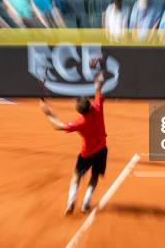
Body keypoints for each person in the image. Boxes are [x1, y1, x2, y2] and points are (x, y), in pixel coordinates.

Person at [39, 58, 108, 214]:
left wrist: (47, 113)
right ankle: (86, 202)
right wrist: (100, 65)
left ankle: (71, 202)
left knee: (76, 176)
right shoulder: (97, 107)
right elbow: (99, 82)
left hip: (86, 154)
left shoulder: (79, 123)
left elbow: (58, 126)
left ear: (79, 111)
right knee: (94, 177)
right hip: (102, 150)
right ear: (89, 104)